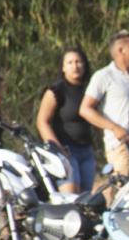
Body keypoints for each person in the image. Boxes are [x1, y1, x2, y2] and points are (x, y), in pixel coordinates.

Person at [81, 29, 129, 177]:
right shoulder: (103, 76)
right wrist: (114, 128)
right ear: (120, 50)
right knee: (121, 189)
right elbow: (85, 109)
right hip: (120, 147)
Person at [35, 46, 98, 193]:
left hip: (87, 151)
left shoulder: (90, 90)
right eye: (70, 63)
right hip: (66, 150)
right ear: (63, 67)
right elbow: (42, 121)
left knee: (85, 198)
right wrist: (57, 148)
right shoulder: (56, 90)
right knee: (69, 194)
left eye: (78, 62)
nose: (75, 66)